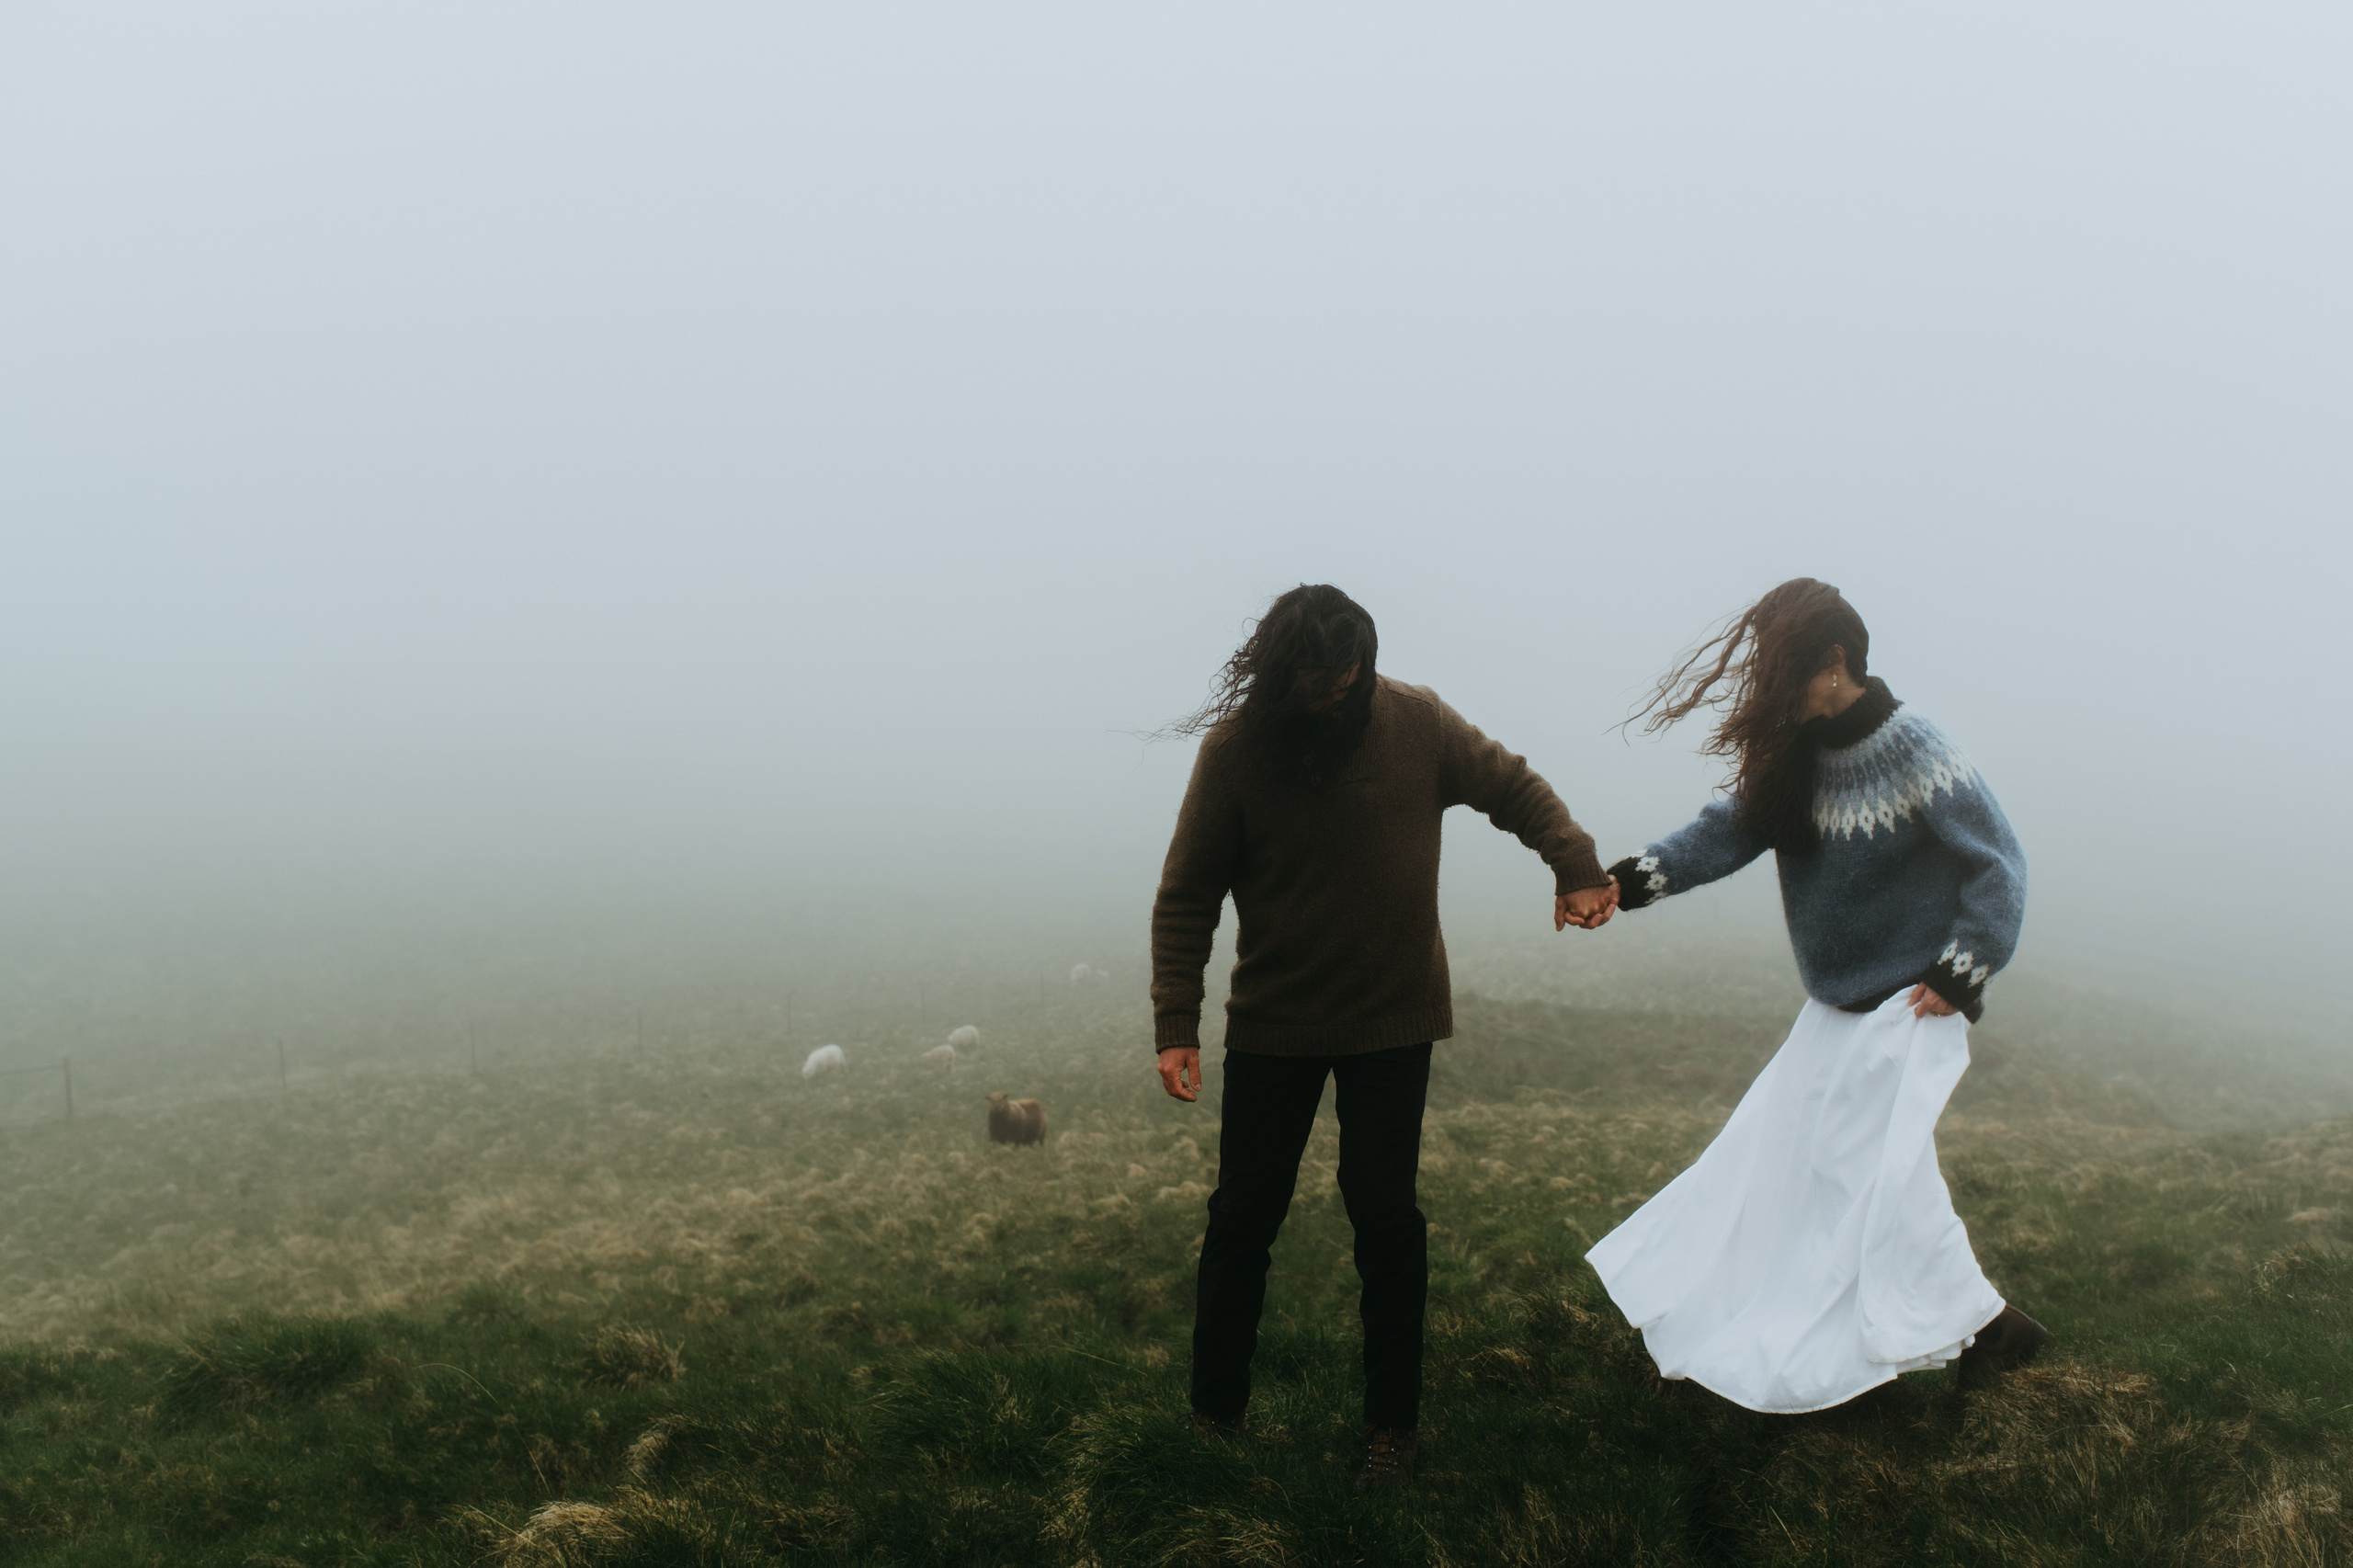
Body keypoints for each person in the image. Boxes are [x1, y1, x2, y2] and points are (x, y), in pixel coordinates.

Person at [1150, 583, 1616, 1490]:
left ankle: (1391, 1431)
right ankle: (1214, 1415)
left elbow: (1512, 785)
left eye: (1346, 672)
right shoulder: (1235, 751)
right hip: (1273, 1024)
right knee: (1241, 1220)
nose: (1332, 691)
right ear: (1280, 671)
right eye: (1314, 675)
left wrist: (1575, 861)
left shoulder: (1417, 722)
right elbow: (1187, 893)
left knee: (1386, 1219)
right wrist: (1177, 1022)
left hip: (1391, 1021)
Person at [1586, 577, 2044, 1414]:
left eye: (1786, 669)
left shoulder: (1916, 748)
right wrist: (1629, 882)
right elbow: (1726, 831)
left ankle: (1946, 1334)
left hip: (1911, 1002)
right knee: (1797, 1168)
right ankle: (1988, 1332)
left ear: (1836, 662)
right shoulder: (1794, 752)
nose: (1772, 688)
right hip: (1834, 1006)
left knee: (1864, 1173)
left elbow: (1999, 861)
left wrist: (1962, 969)